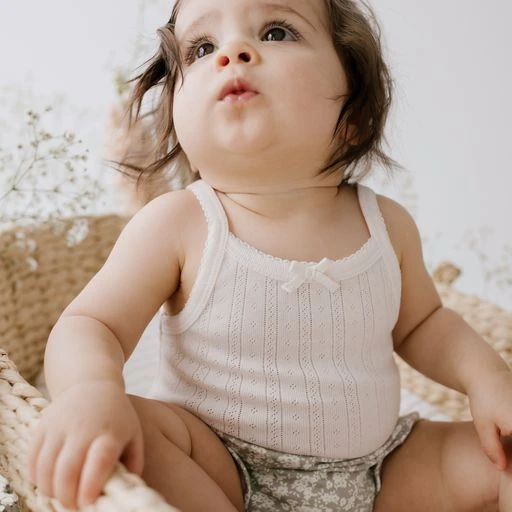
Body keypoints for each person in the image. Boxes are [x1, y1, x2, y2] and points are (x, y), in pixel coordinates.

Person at [27, 0, 512, 510]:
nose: (232, 52)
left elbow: (424, 325)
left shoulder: (386, 224)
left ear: (355, 113)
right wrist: (91, 391)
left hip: (380, 469)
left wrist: (488, 378)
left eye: (277, 32)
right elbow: (93, 324)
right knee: (135, 432)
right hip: (218, 468)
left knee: (501, 456)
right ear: (176, 118)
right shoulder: (179, 222)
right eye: (202, 48)